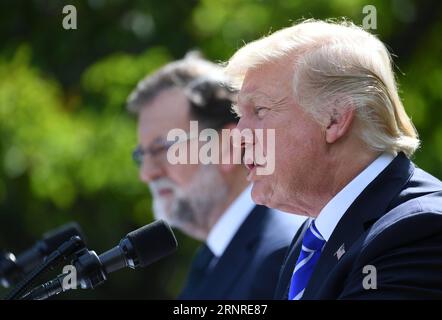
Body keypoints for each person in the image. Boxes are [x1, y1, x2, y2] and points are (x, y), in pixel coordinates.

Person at [224, 19, 442, 299]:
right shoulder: (314, 238)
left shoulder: (418, 230)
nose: (239, 134)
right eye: (240, 115)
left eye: (260, 110)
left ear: (335, 118)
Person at [126, 53, 305, 299]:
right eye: (142, 155)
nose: (146, 173)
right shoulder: (211, 258)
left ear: (228, 146)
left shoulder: (283, 255)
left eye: (162, 149)